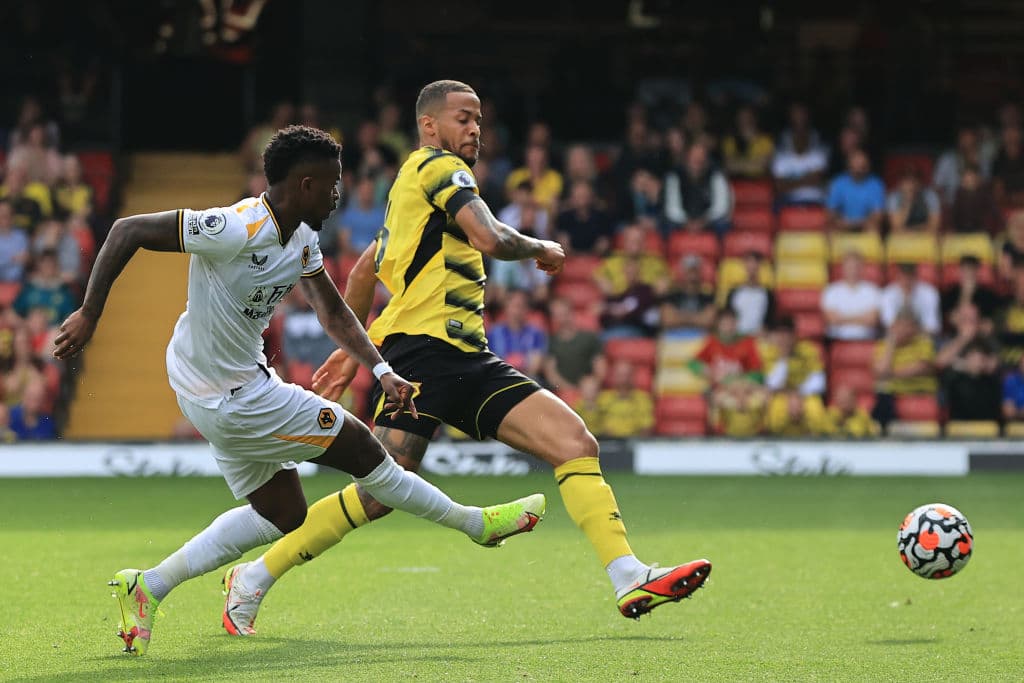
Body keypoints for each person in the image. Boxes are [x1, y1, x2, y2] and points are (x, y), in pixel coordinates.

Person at [52, 125, 546, 655]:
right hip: (234, 397)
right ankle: (475, 524)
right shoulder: (234, 227)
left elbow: (332, 311)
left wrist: (380, 371)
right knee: (366, 450)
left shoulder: (303, 236)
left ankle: (146, 586)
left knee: (284, 512)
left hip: (212, 386)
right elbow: (128, 229)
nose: (339, 195)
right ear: (305, 184)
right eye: (333, 185)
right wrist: (89, 312)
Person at [235, 81, 710, 629]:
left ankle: (628, 575)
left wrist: (350, 353)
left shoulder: (409, 187)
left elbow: (368, 265)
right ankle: (252, 578)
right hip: (420, 356)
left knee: (573, 443)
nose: (475, 130)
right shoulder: (438, 169)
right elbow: (489, 238)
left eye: (479, 121)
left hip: (464, 357)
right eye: (463, 118)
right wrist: (540, 246)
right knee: (380, 491)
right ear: (430, 126)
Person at [871, 309, 937, 429]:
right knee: (882, 397)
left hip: (919, 390)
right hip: (892, 393)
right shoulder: (884, 345)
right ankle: (883, 435)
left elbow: (922, 368)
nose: (904, 330)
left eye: (908, 326)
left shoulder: (923, 342)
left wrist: (890, 374)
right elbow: (880, 372)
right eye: (900, 326)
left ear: (915, 328)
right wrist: (891, 344)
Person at [663, 142, 733, 236]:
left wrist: (703, 222)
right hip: (682, 221)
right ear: (687, 158)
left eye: (701, 156)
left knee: (723, 225)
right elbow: (672, 208)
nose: (697, 160)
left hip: (709, 221)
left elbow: (720, 207)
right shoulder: (675, 175)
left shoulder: (716, 175)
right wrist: (687, 223)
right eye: (694, 156)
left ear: (706, 159)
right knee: (665, 226)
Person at [542, 297, 606, 392]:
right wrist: (570, 390)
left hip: (589, 391)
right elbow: (551, 374)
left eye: (564, 314)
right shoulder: (551, 342)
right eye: (557, 315)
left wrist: (593, 384)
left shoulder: (589, 338)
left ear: (572, 313)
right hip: (562, 394)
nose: (562, 318)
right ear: (553, 317)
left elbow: (600, 366)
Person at [821, 250, 881, 341]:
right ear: (843, 268)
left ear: (862, 268)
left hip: (866, 340)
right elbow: (832, 320)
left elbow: (872, 320)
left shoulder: (873, 291)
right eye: (849, 266)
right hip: (837, 341)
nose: (853, 270)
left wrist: (843, 318)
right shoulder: (831, 291)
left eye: (856, 266)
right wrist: (861, 318)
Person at [487, 289, 547, 378]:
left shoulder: (536, 333)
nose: (517, 311)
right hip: (502, 379)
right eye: (513, 306)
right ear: (506, 308)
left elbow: (535, 366)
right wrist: (522, 361)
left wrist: (511, 361)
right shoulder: (494, 333)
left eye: (521, 306)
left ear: (527, 310)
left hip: (527, 379)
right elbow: (492, 364)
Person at [826, 149, 885, 233]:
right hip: (842, 226)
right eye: (856, 163)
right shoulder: (838, 183)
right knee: (830, 231)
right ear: (848, 165)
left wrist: (855, 223)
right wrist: (840, 222)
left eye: (862, 164)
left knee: (874, 230)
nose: (859, 167)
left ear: (868, 165)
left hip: (865, 226)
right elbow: (830, 212)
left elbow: (878, 216)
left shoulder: (876, 184)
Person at [594, 359, 655, 438]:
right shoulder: (603, 398)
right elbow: (594, 423)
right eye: (620, 375)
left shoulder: (643, 399)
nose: (624, 379)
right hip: (607, 443)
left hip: (634, 443)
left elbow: (647, 428)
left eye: (627, 375)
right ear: (614, 377)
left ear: (633, 377)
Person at [659, 254, 716, 338]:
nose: (692, 276)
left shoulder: (708, 297)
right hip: (673, 339)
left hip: (700, 339)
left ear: (700, 273)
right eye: (689, 271)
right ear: (683, 272)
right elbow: (668, 320)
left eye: (695, 271)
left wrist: (679, 317)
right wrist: (696, 318)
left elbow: (708, 321)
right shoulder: (671, 296)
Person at [880, 263, 941, 335]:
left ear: (916, 277)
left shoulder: (929, 293)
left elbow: (932, 326)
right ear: (897, 277)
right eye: (903, 277)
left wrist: (912, 332)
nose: (906, 282)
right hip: (897, 337)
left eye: (910, 278)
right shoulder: (888, 293)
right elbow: (889, 324)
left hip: (922, 337)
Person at [726, 251, 775, 336]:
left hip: (759, 337)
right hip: (737, 336)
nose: (752, 266)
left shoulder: (767, 294)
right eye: (749, 262)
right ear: (744, 266)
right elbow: (728, 315)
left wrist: (765, 329)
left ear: (760, 266)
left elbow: (770, 319)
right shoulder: (734, 292)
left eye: (755, 263)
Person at [721, 106, 774, 179]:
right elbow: (728, 165)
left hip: (759, 183)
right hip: (735, 183)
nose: (744, 120)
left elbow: (763, 166)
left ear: (754, 119)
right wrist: (753, 163)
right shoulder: (730, 141)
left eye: (747, 117)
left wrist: (737, 164)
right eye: (741, 117)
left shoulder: (765, 141)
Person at [887, 166, 941, 234]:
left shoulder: (930, 196)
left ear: (920, 183)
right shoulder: (894, 197)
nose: (911, 185)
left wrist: (910, 231)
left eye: (914, 181)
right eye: (907, 181)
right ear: (900, 184)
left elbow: (934, 227)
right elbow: (896, 228)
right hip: (902, 240)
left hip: (925, 239)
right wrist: (908, 202)